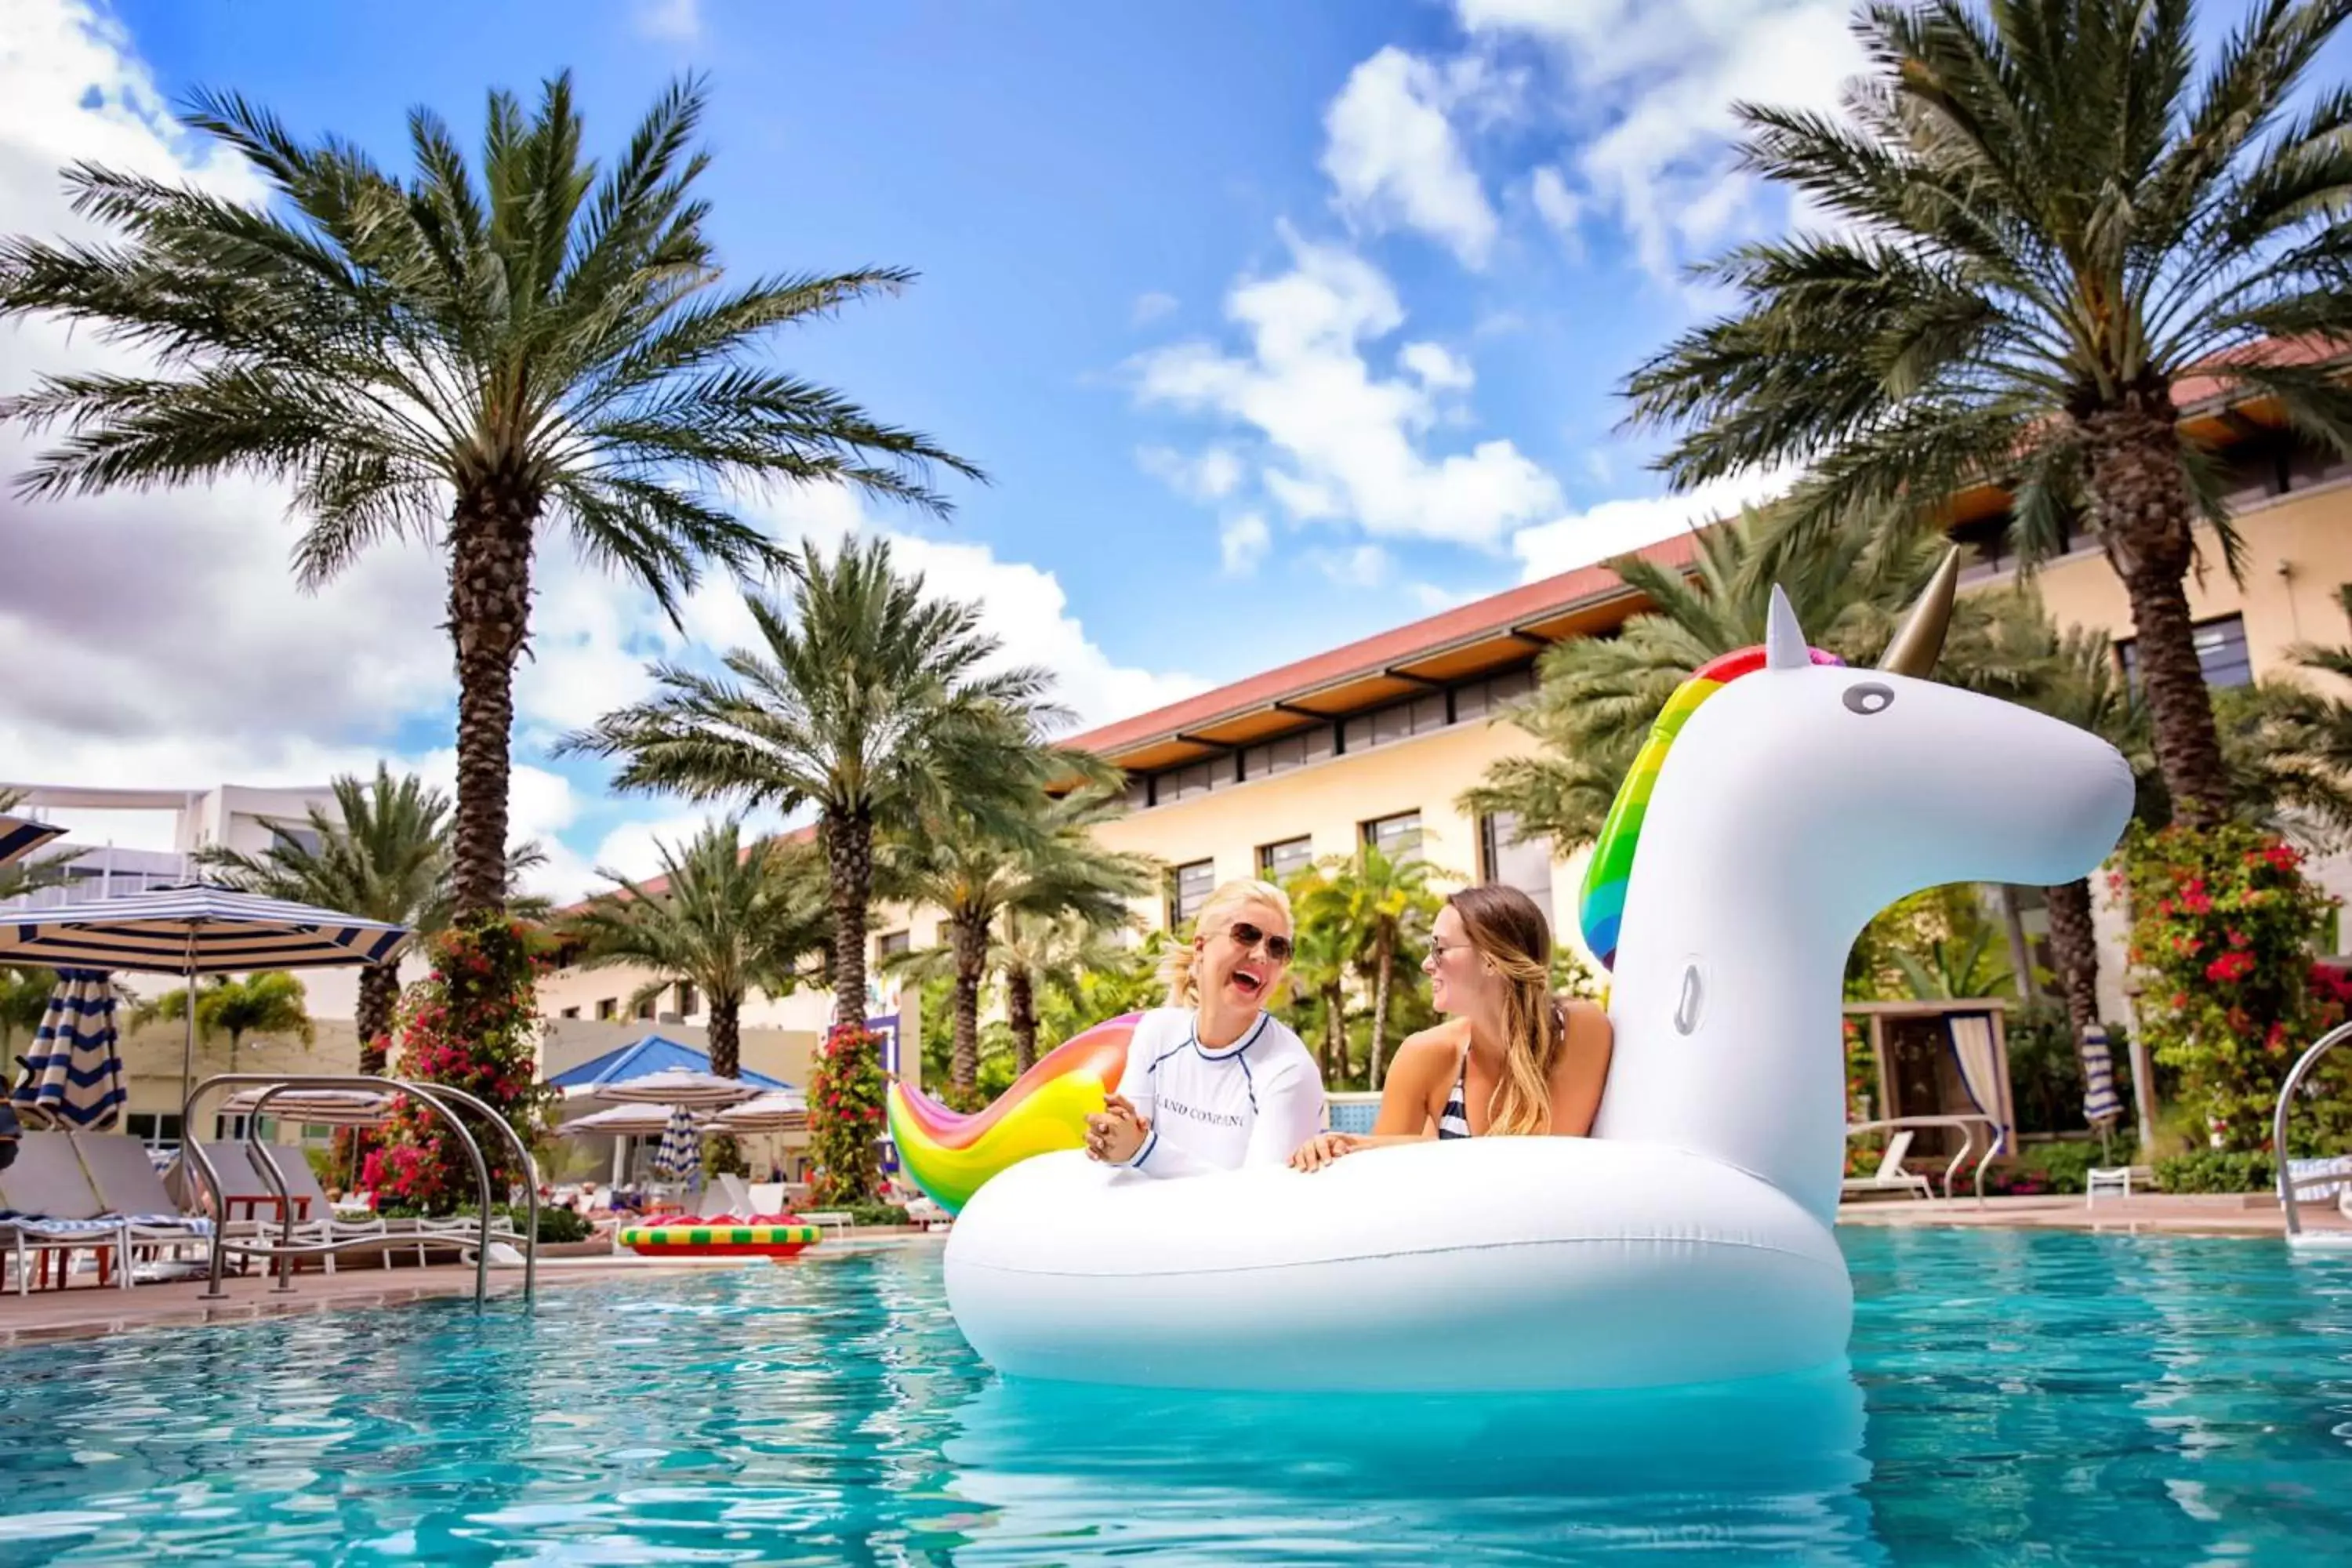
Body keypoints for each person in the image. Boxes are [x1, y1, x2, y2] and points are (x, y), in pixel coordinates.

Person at [1290, 884, 1612, 1171]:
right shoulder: (1426, 1055)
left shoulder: (1579, 1027)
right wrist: (1346, 1146)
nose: (1427, 964)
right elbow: (1382, 1178)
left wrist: (1404, 1147)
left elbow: (1540, 1161)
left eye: (1439, 949)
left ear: (1491, 960)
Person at [1084, 879, 1324, 1177]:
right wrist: (1110, 1141)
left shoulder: (1288, 1070)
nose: (1262, 955)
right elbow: (1125, 1154)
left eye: (1278, 948)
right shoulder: (1157, 1033)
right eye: (1246, 934)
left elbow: (1260, 1202)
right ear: (1201, 947)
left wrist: (1144, 1151)